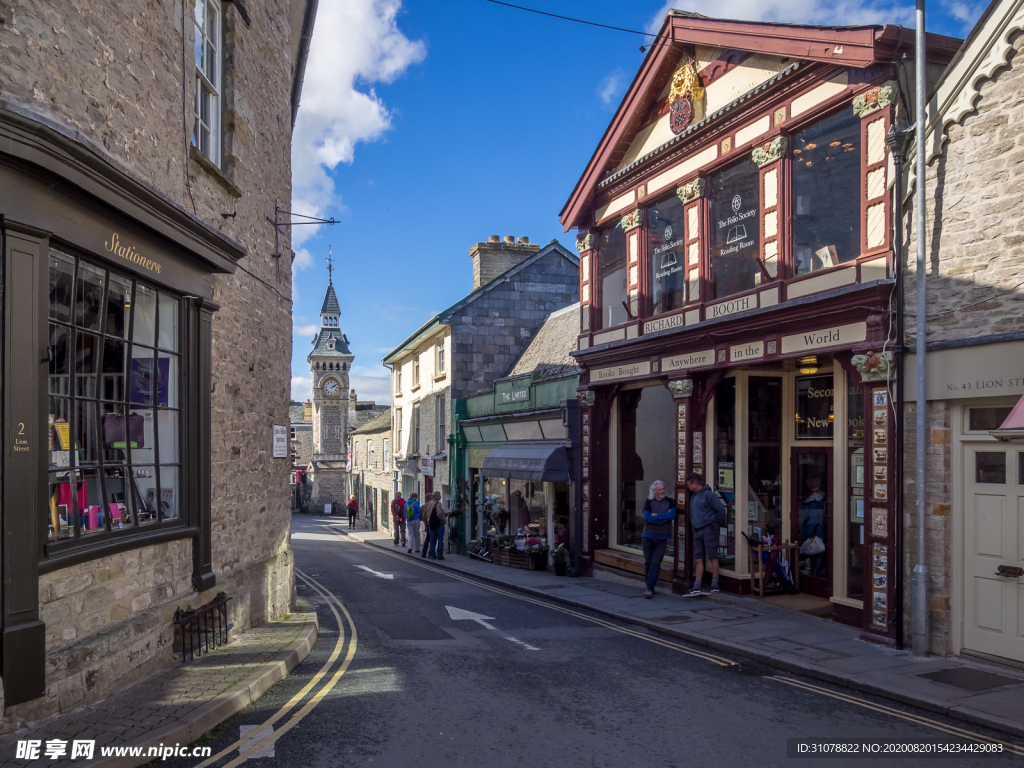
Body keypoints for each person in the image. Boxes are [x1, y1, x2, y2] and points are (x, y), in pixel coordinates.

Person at [685, 472, 726, 596]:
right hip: (697, 530)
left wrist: (714, 523)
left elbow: (721, 510)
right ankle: (697, 585)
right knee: (698, 558)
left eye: (689, 484)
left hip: (709, 529)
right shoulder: (693, 496)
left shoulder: (709, 495)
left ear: (695, 483)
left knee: (712, 556)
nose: (688, 487)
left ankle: (715, 584)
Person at [641, 480, 676, 599]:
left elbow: (672, 515)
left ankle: (649, 588)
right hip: (648, 536)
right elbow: (647, 517)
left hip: (662, 538)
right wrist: (662, 520)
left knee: (655, 564)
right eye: (660, 489)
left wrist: (656, 515)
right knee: (648, 562)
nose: (662, 491)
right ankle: (649, 586)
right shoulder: (649, 502)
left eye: (663, 489)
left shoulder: (670, 502)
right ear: (654, 491)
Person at [423, 491, 447, 560]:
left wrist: (427, 523)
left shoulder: (428, 504)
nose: (440, 497)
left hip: (431, 524)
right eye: (439, 495)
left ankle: (432, 554)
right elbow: (439, 513)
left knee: (432, 539)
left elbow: (424, 515)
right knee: (440, 539)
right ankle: (439, 555)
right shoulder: (438, 504)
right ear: (436, 496)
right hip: (439, 524)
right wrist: (443, 520)